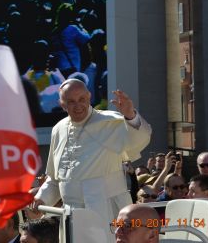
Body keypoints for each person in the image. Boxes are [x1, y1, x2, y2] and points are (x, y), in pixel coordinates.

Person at [33, 79, 151, 241]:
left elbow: (141, 139)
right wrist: (41, 198)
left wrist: (130, 116)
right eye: (71, 101)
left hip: (107, 209)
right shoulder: (58, 130)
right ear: (62, 104)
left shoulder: (110, 121)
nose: (78, 105)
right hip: (70, 213)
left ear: (89, 97)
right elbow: (55, 179)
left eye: (82, 99)